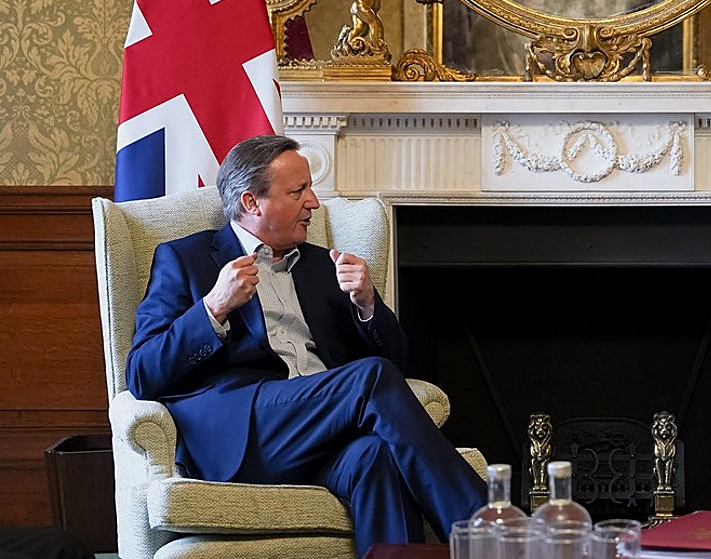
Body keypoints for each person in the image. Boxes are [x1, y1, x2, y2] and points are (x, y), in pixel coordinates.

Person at [125, 134, 486, 557]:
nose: (313, 202)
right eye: (298, 191)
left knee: (376, 457)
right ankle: (487, 531)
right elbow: (142, 374)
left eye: (310, 189)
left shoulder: (323, 266)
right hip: (245, 433)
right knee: (369, 379)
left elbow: (396, 369)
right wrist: (213, 307)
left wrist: (368, 305)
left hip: (321, 430)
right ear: (252, 202)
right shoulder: (185, 259)